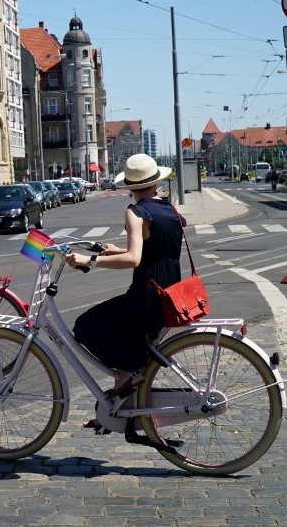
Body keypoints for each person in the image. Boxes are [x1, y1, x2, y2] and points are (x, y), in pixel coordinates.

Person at [66, 154, 183, 414]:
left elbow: (134, 258)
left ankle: (128, 372)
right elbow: (154, 250)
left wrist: (90, 259)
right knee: (118, 325)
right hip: (170, 293)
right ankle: (132, 376)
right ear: (156, 182)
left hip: (148, 297)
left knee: (85, 325)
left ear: (130, 187)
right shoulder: (170, 209)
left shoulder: (136, 212)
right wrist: (114, 250)